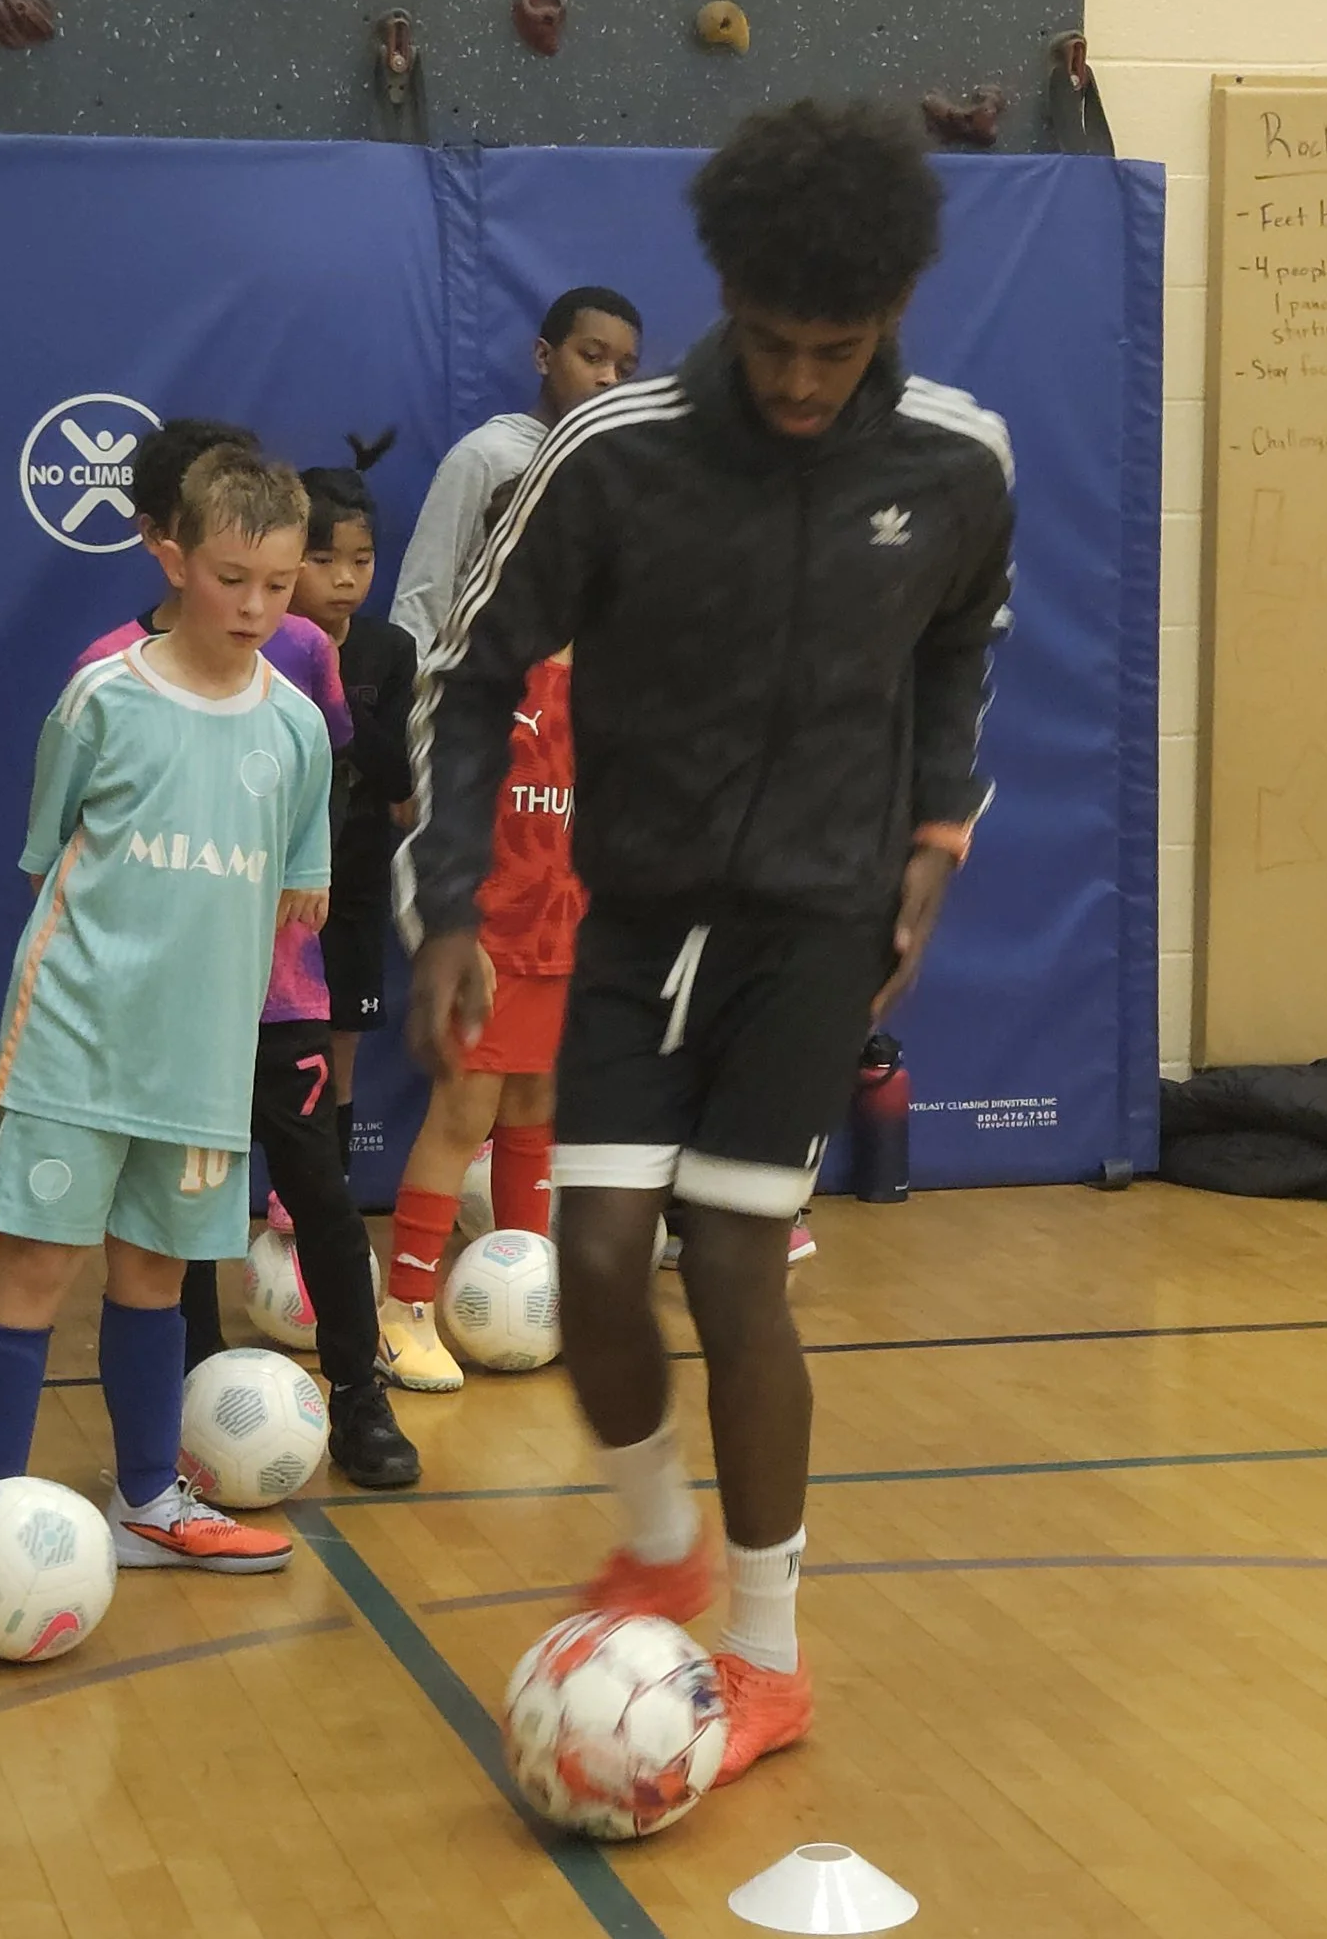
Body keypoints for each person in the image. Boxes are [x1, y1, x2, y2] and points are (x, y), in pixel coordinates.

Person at [401, 102, 1014, 1782]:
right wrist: (449, 899)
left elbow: (960, 644)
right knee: (596, 1261)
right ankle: (657, 1533)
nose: (804, 378)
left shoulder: (959, 462)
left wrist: (939, 824)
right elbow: (460, 675)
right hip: (639, 908)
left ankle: (766, 1653)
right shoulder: (620, 453)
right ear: (723, 302)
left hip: (817, 926)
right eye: (771, 340)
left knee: (736, 1266)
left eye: (836, 345)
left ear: (889, 313)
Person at [0, 443, 333, 1573]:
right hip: (77, 1045)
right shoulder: (102, 699)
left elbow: (295, 901)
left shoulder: (298, 731)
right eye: (231, 578)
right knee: (34, 1266)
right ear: (170, 557)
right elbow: (48, 863)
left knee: (157, 1280)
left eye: (279, 583)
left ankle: (144, 1503)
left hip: (201, 1072)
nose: (257, 607)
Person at [80, 417, 420, 1493]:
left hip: (279, 993)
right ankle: (185, 1404)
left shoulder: (305, 656)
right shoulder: (108, 675)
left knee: (316, 1186)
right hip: (163, 1004)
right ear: (168, 544)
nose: (258, 601)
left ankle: (360, 1397)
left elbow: (316, 773)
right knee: (175, 1206)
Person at [381, 575, 580, 1391]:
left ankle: (530, 1291)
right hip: (485, 942)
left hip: (567, 934)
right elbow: (425, 821)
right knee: (464, 1113)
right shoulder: (474, 683)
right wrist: (448, 927)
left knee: (536, 1104)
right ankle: (406, 1309)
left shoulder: (618, 681)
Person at [387, 287, 642, 660]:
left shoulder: (616, 472)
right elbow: (424, 595)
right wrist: (415, 703)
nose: (609, 379)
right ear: (543, 356)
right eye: (592, 357)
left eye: (625, 371)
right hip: (485, 694)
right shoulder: (487, 456)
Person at [290, 437, 417, 1153]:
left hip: (357, 878)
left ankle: (325, 1197)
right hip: (276, 881)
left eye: (361, 561)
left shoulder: (390, 651)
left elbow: (395, 772)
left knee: (339, 1051)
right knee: (272, 1046)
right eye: (323, 560)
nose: (344, 579)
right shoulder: (260, 643)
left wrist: (333, 675)